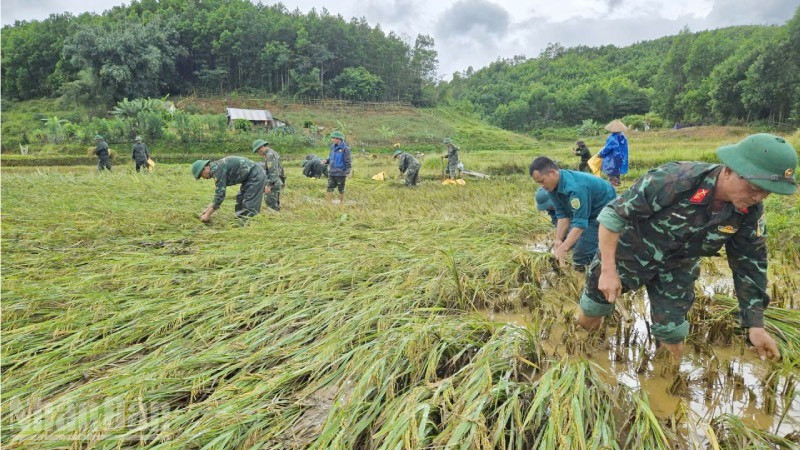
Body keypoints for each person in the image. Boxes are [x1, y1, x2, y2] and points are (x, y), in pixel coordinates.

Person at [576, 133, 797, 360]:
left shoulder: (750, 212)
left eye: (766, 192)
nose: (758, 197)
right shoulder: (674, 180)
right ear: (730, 170)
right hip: (628, 255)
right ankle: (589, 361)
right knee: (592, 312)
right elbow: (613, 216)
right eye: (753, 188)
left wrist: (756, 326)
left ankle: (662, 382)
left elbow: (750, 264)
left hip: (678, 268)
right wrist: (608, 270)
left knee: (672, 335)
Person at [530, 156, 617, 270]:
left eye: (542, 181)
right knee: (572, 241)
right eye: (538, 183)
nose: (542, 186)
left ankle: (590, 272)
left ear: (552, 172)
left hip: (603, 209)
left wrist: (564, 248)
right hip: (587, 210)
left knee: (581, 256)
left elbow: (580, 223)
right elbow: (562, 217)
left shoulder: (576, 188)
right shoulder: (551, 188)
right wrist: (558, 240)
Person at [192, 156, 267, 222]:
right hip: (248, 178)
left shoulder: (217, 170)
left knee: (249, 203)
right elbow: (218, 193)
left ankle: (250, 225)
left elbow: (220, 195)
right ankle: (240, 222)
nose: (203, 178)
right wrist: (208, 209)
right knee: (240, 198)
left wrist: (208, 214)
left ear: (205, 168)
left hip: (255, 175)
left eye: (201, 175)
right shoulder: (216, 167)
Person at [252, 139, 283, 211]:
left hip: (273, 183)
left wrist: (268, 185)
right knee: (274, 204)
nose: (258, 153)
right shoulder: (272, 153)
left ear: (261, 148)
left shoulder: (269, 155)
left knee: (271, 205)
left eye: (258, 151)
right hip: (276, 181)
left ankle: (274, 220)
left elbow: (272, 172)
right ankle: (276, 218)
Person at [323, 131, 352, 204]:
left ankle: (341, 203)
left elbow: (347, 161)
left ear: (338, 139)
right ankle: (328, 203)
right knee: (329, 188)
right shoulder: (332, 147)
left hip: (340, 172)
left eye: (333, 138)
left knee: (341, 189)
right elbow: (331, 158)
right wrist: (326, 161)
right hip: (332, 172)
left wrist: (347, 172)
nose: (332, 139)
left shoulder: (345, 149)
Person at [598, 120, 628, 187]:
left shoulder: (612, 138)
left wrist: (600, 154)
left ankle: (613, 190)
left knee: (612, 176)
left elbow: (607, 148)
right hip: (621, 159)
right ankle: (617, 187)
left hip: (612, 159)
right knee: (617, 174)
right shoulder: (623, 137)